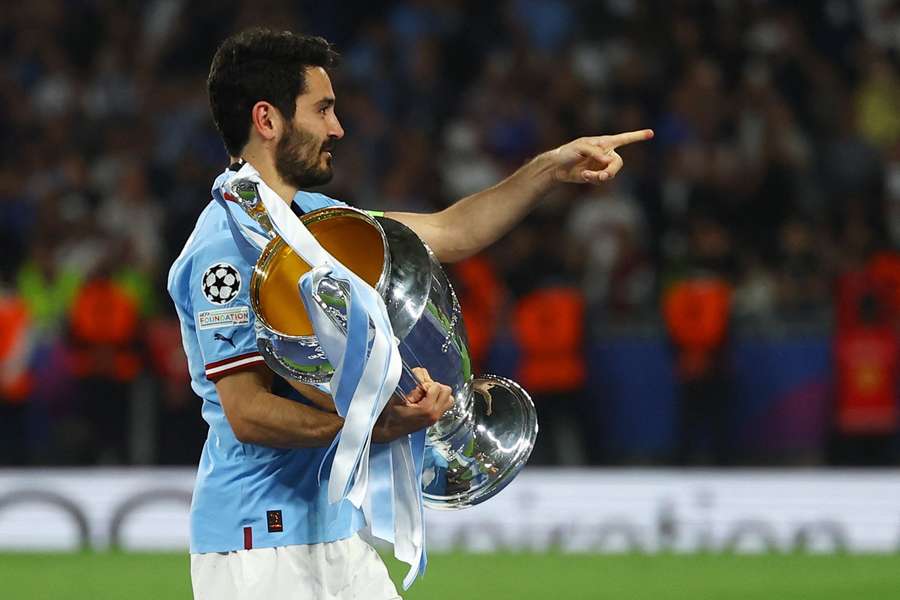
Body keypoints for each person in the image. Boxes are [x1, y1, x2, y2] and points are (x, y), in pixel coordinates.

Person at [167, 27, 653, 600]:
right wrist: (376, 426)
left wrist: (549, 169)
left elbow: (450, 231)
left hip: (336, 532)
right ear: (267, 120)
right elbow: (247, 412)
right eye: (322, 109)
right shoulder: (224, 249)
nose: (336, 128)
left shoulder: (318, 220)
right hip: (258, 544)